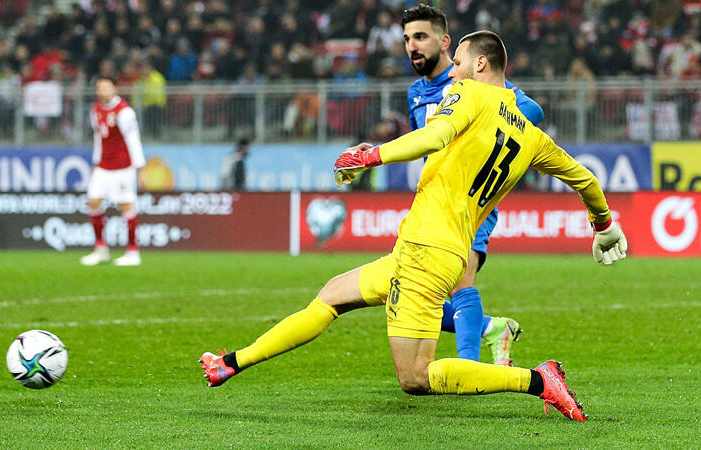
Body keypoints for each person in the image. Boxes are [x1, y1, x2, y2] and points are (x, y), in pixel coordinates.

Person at [201, 31, 628, 422]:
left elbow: (434, 137)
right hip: (433, 249)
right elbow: (585, 179)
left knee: (416, 378)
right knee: (331, 296)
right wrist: (604, 224)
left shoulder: (469, 93)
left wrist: (370, 157)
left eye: (458, 61)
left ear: (480, 65)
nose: (453, 70)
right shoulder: (532, 135)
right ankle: (232, 363)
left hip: (427, 250)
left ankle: (537, 380)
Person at [401, 4, 546, 365]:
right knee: (408, 295)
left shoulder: (478, 83)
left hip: (473, 199)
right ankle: (490, 328)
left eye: (420, 37)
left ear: (444, 41)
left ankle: (468, 369)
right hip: (435, 203)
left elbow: (531, 110)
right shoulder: (416, 93)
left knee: (462, 281)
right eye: (406, 39)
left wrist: (483, 134)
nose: (412, 46)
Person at [80, 77, 146, 267]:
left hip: (123, 166)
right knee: (93, 202)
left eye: (107, 88)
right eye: (100, 88)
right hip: (103, 166)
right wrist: (96, 161)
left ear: (115, 89)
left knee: (126, 206)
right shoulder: (95, 110)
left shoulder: (125, 112)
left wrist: (139, 168)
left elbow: (133, 139)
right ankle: (101, 250)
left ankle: (133, 252)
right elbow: (98, 139)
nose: (103, 91)